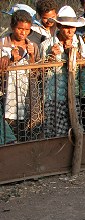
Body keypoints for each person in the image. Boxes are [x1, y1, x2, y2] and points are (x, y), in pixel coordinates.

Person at [39, 6, 85, 138]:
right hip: (53, 95)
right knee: (54, 131)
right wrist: (51, 57)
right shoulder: (47, 45)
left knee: (74, 128)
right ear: (59, 26)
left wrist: (74, 54)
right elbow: (40, 71)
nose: (70, 30)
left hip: (74, 93)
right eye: (66, 27)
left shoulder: (79, 42)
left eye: (72, 27)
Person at [0, 10, 40, 142]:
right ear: (12, 27)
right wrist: (10, 60)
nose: (23, 33)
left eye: (27, 29)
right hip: (7, 96)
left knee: (25, 133)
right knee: (9, 132)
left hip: (26, 95)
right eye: (20, 28)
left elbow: (36, 73)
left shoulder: (32, 46)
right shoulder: (3, 43)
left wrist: (32, 56)